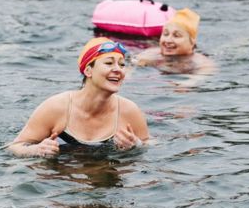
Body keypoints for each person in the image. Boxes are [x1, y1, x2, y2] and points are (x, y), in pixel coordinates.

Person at [8, 37, 150, 157]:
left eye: (122, 64)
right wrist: (36, 150)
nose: (118, 70)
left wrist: (136, 145)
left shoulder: (129, 111)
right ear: (88, 71)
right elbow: (15, 147)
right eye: (108, 63)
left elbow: (150, 146)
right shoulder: (56, 107)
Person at [133, 8, 216, 86]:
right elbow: (132, 66)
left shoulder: (200, 61)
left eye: (176, 36)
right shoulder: (151, 54)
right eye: (165, 34)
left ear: (192, 41)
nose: (168, 40)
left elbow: (204, 74)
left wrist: (188, 83)